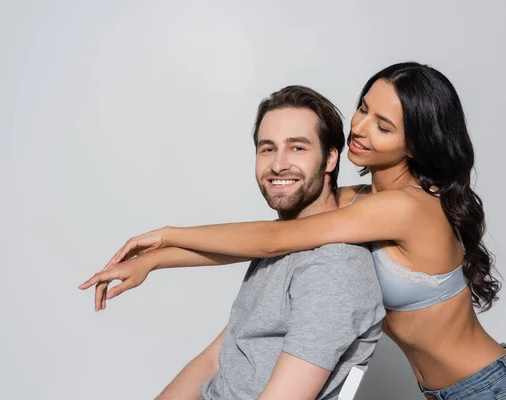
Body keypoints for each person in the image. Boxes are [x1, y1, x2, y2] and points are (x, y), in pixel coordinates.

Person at [80, 62, 506, 399]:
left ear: (415, 143)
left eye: (383, 125)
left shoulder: (407, 207)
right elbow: (261, 238)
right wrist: (154, 260)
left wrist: (168, 232)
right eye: (363, 108)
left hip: (486, 385)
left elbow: (271, 240)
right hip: (438, 390)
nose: (358, 128)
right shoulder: (358, 199)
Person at [81, 85, 385, 399]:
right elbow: (218, 357)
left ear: (330, 159)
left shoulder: (333, 269)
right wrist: (153, 259)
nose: (278, 164)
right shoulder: (278, 245)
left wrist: (163, 243)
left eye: (297, 148)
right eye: (267, 148)